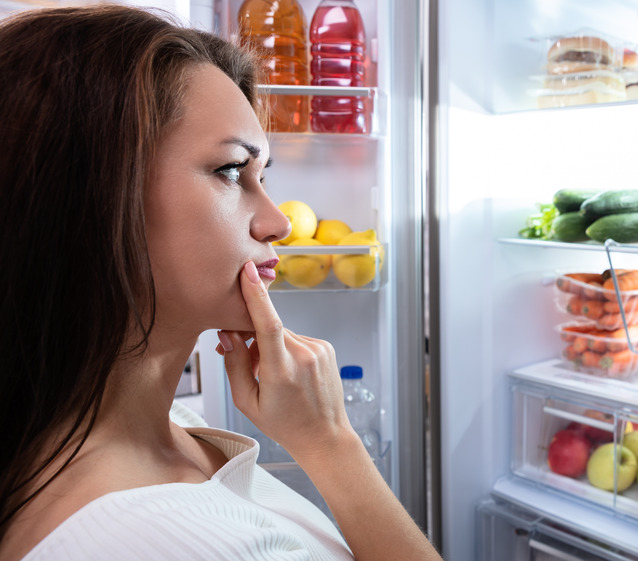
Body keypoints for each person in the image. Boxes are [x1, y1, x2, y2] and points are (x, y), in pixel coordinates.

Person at [0, 6, 442, 561]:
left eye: (264, 176)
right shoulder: (159, 544)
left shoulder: (164, 424)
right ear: (90, 196)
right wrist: (333, 444)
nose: (278, 223)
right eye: (232, 171)